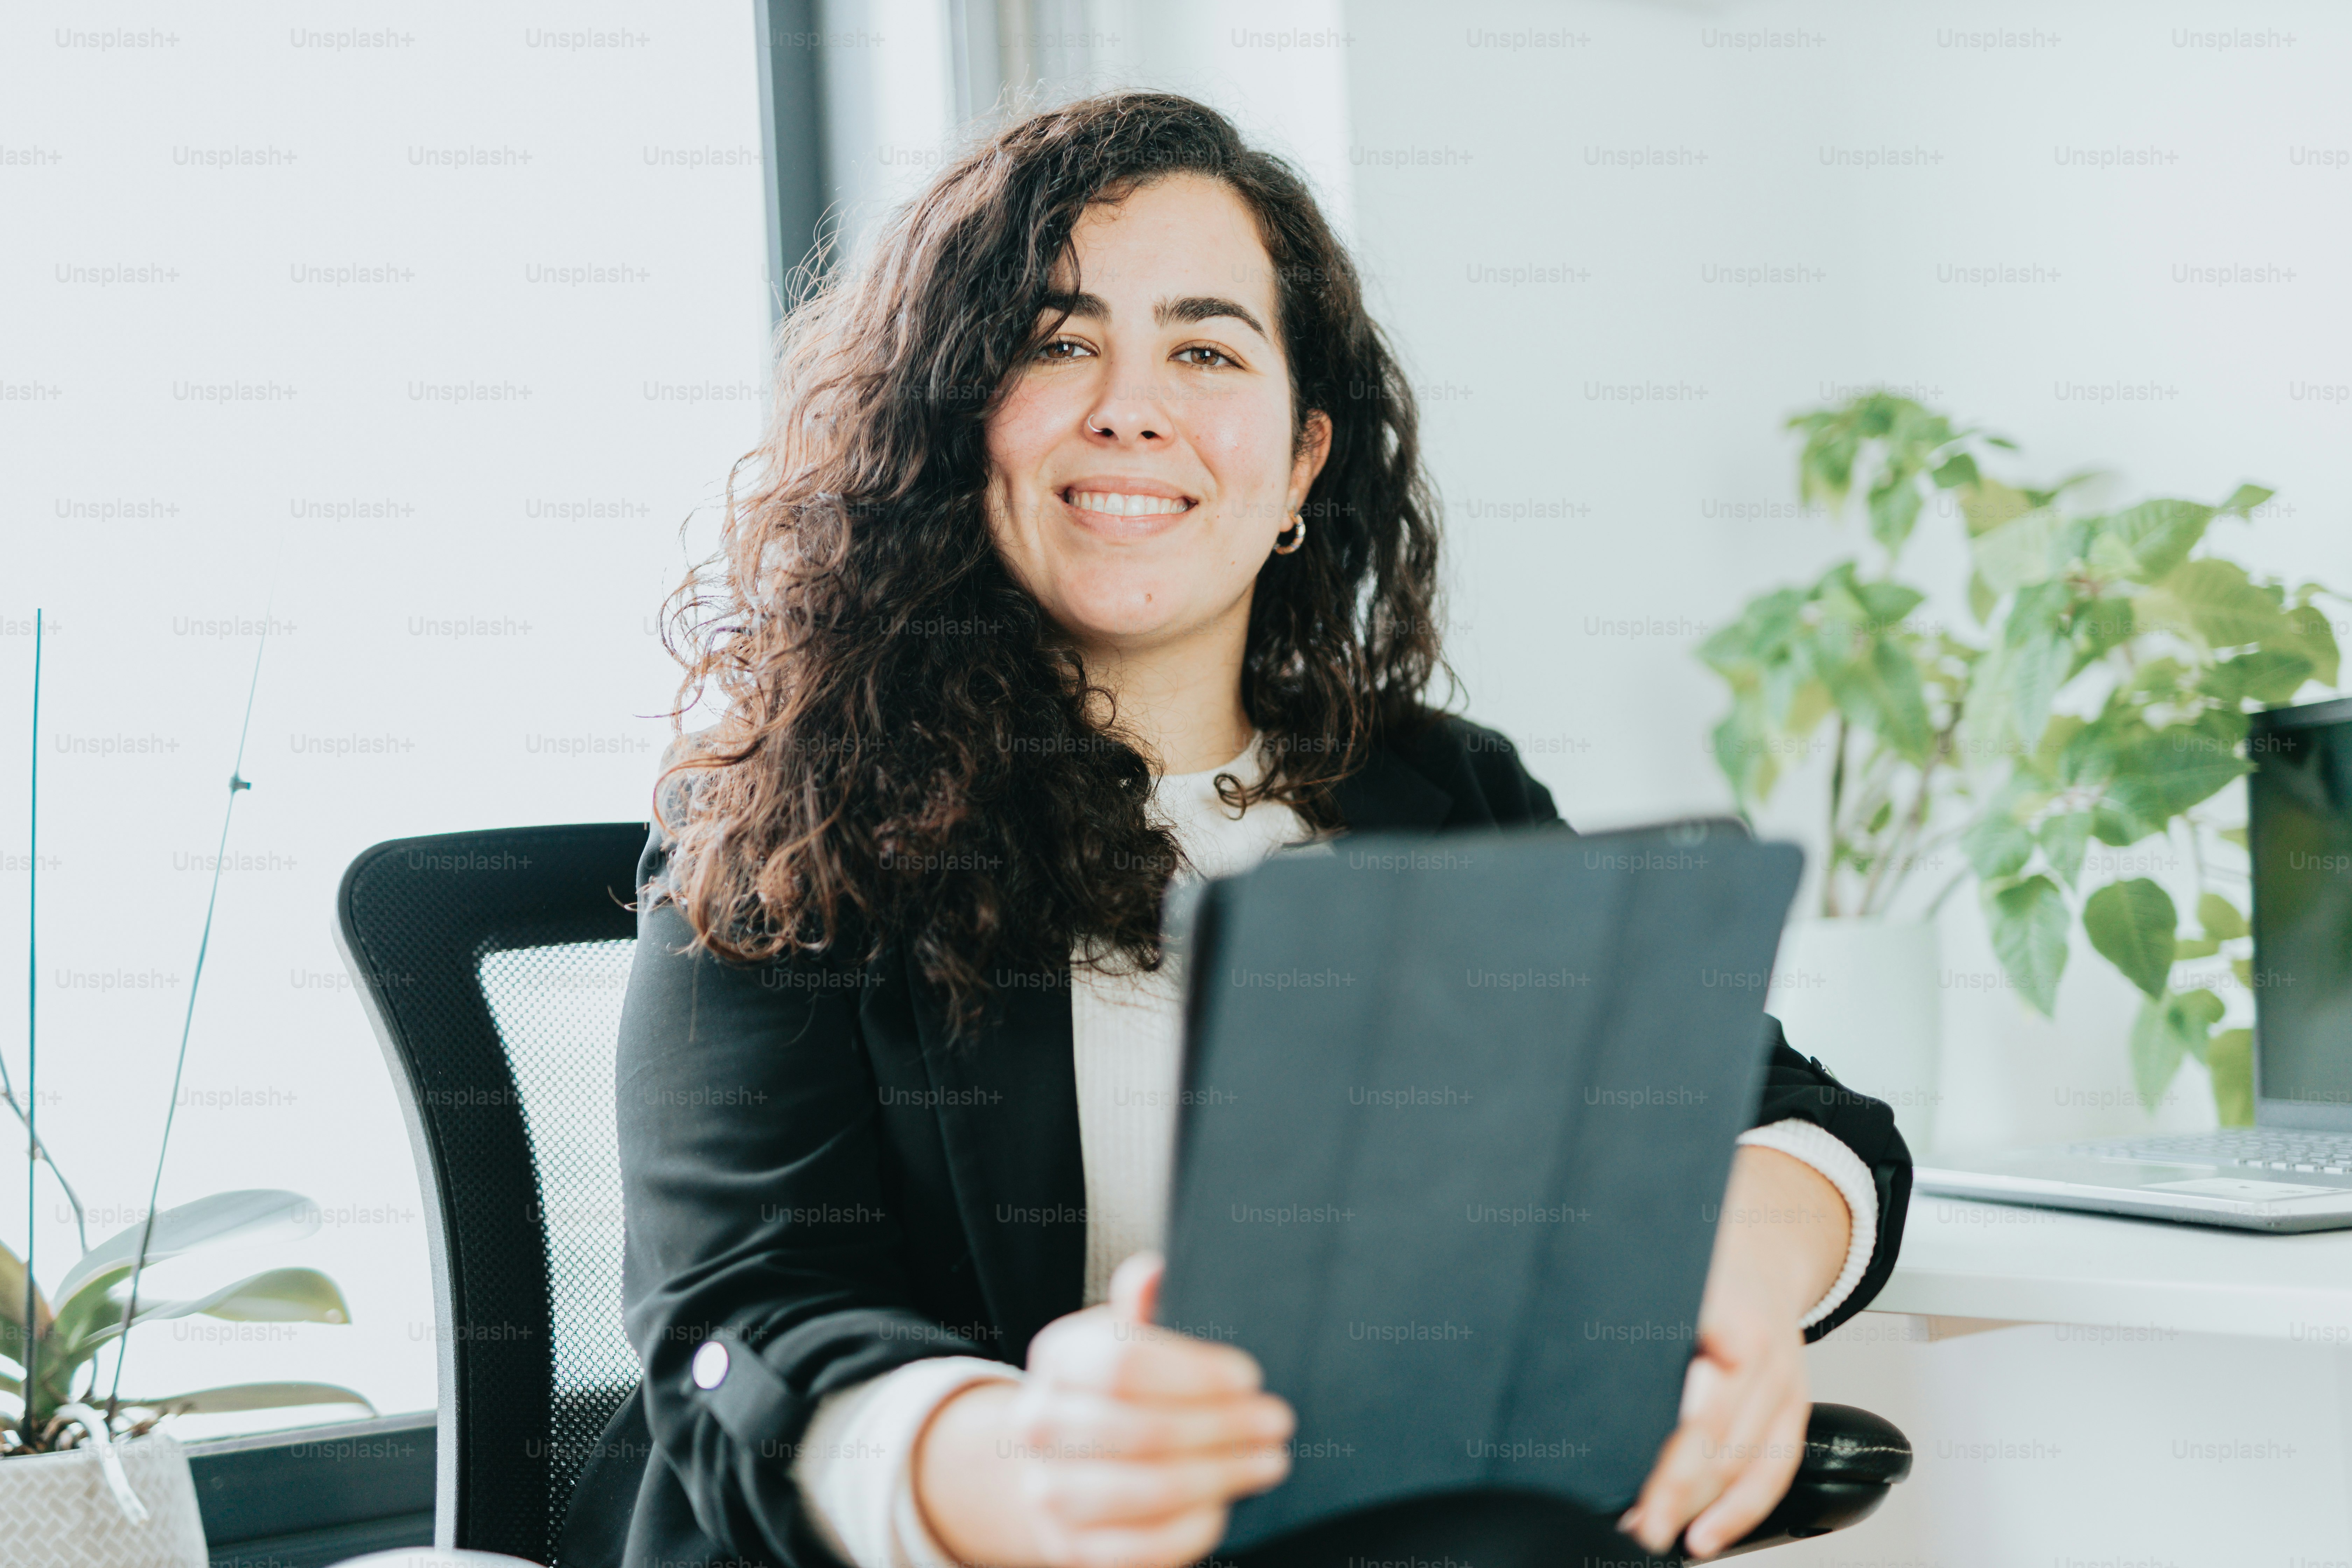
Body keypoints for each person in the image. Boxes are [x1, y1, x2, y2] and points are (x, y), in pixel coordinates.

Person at [562, 92, 1910, 1568]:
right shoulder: (780, 822)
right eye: (1058, 343)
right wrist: (1034, 1470)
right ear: (957, 424)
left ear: (1301, 462)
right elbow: (738, 1328)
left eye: (1205, 350)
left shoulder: (1437, 802)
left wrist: (1725, 1262)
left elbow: (1803, 1120)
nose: (1130, 407)